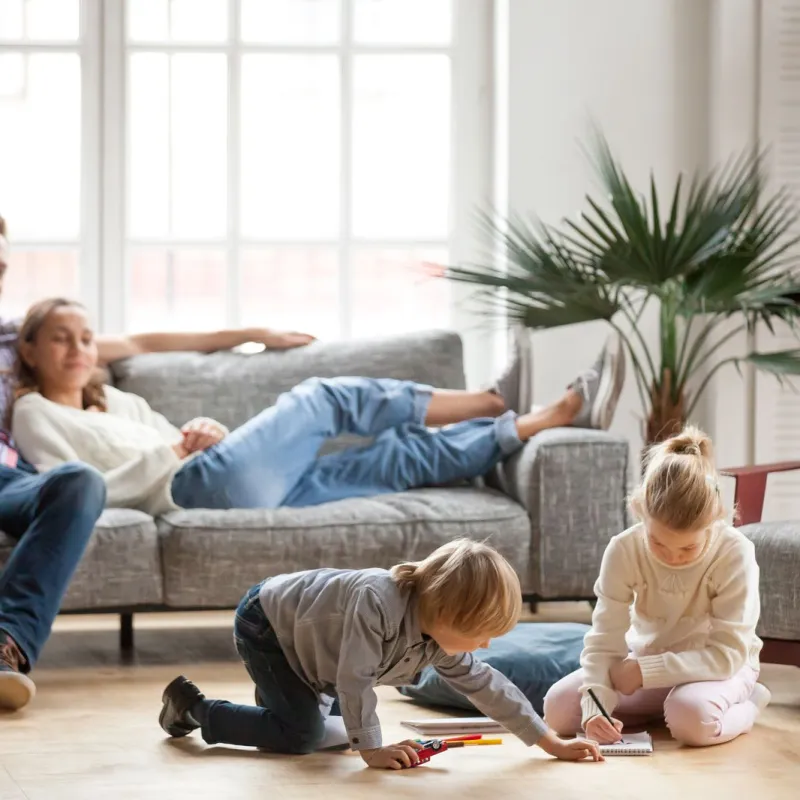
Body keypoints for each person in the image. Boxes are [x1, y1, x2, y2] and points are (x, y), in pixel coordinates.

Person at [0, 215, 314, 711]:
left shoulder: (15, 338)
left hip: (11, 478)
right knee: (323, 405)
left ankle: (6, 648)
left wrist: (252, 332)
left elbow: (144, 343)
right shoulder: (35, 402)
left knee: (79, 479)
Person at [10, 298, 626, 516]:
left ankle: (535, 420)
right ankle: (493, 399)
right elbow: (77, 488)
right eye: (60, 337)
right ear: (28, 349)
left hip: (222, 474)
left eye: (85, 337)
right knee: (324, 397)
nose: (77, 348)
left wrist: (201, 430)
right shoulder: (34, 413)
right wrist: (177, 451)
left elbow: (181, 437)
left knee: (394, 460)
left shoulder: (118, 398)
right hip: (190, 487)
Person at [158, 539, 604, 766]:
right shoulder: (378, 600)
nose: (485, 646)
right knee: (304, 737)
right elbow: (355, 678)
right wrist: (372, 749)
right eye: (480, 634)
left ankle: (280, 708)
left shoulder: (440, 640)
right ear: (447, 613)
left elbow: (489, 686)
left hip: (316, 651)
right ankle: (194, 708)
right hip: (269, 626)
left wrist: (551, 743)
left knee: (326, 736)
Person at [542, 426, 770, 748]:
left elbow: (726, 654)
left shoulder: (735, 553)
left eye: (688, 549)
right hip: (646, 663)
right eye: (658, 543)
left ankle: (746, 705)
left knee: (692, 720)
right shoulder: (623, 549)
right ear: (640, 512)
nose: (673, 558)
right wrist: (596, 709)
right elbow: (604, 641)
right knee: (558, 711)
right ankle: (661, 710)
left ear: (715, 520)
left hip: (718, 668)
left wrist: (644, 671)